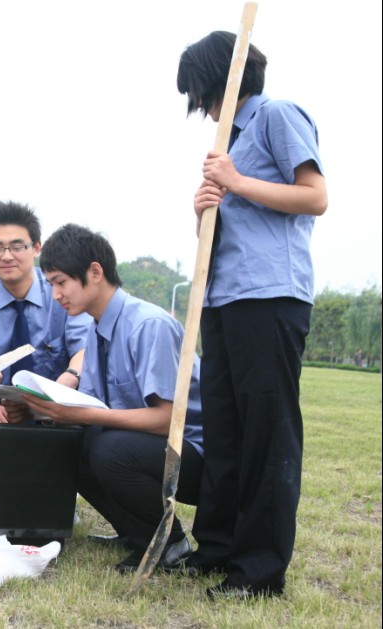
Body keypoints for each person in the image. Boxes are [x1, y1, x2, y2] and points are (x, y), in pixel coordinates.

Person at [178, 31, 327, 599]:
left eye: (197, 92)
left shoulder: (276, 116)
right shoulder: (228, 142)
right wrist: (203, 211)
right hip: (223, 299)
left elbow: (315, 195)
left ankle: (260, 572)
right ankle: (217, 549)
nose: (199, 106)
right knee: (225, 431)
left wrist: (236, 182)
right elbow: (226, 227)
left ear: (216, 81)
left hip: (270, 297)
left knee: (266, 434)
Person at [18, 224, 204, 574]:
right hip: (150, 447)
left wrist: (81, 414)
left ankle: (169, 546)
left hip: (196, 455)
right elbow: (96, 406)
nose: (56, 295)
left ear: (95, 272)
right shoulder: (97, 328)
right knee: (70, 441)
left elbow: (167, 420)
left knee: (109, 448)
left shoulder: (148, 324)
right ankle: (137, 532)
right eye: (51, 285)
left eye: (61, 282)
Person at [0, 201, 91, 424]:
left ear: (36, 248)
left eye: (17, 246)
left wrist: (69, 379)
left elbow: (84, 349)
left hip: (56, 412)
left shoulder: (63, 294)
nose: (6, 256)